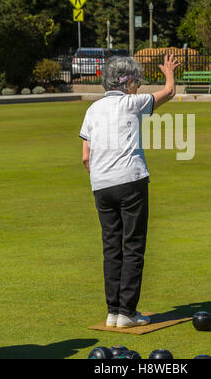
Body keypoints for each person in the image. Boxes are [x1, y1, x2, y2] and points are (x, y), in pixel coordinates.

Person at [79, 54, 179, 328]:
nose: (139, 85)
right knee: (133, 245)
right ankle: (127, 313)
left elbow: (85, 157)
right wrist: (169, 72)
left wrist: (103, 174)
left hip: (101, 185)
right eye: (137, 80)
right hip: (131, 181)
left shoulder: (92, 110)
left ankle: (113, 311)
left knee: (112, 247)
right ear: (129, 81)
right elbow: (169, 92)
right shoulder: (133, 102)